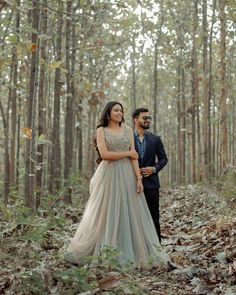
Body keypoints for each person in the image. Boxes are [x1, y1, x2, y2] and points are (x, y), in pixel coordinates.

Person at [66, 101, 170, 268]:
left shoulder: (128, 130)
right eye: (116, 110)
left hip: (127, 174)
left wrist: (138, 178)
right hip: (108, 174)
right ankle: (105, 249)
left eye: (121, 110)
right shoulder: (101, 130)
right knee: (107, 211)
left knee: (128, 211)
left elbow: (135, 158)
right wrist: (128, 152)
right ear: (108, 113)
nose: (120, 113)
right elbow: (105, 154)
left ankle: (130, 250)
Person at [132, 108, 168, 244]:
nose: (147, 120)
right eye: (144, 118)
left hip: (152, 184)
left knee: (153, 217)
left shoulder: (155, 139)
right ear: (135, 120)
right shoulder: (127, 137)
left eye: (149, 118)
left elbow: (164, 159)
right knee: (133, 218)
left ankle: (157, 248)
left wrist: (154, 169)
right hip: (131, 182)